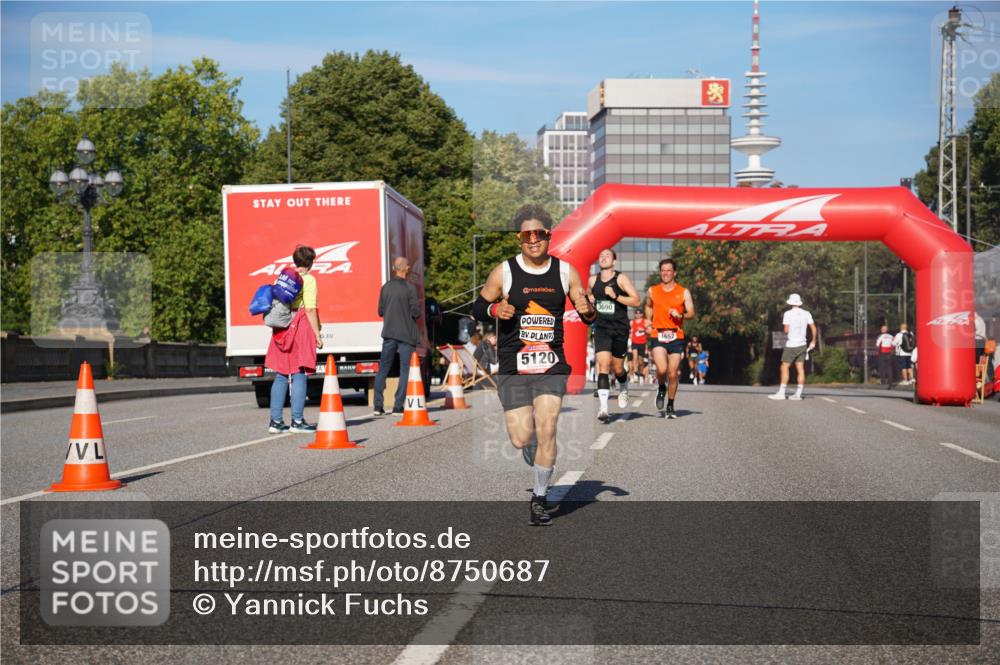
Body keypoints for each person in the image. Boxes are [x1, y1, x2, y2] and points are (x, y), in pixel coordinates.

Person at [473, 204, 595, 526]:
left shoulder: (566, 272)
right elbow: (478, 306)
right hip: (514, 366)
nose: (533, 240)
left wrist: (588, 309)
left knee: (548, 427)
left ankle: (539, 499)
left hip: (551, 365)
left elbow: (585, 309)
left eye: (538, 234)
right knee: (520, 437)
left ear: (548, 236)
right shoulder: (505, 271)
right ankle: (529, 446)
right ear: (519, 238)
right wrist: (494, 311)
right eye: (526, 235)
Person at [266, 245, 322, 433]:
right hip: (299, 325)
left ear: (295, 261)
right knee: (299, 373)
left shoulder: (283, 278)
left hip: (281, 327)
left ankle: (275, 422)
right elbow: (310, 309)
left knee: (281, 374)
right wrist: (317, 334)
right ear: (311, 263)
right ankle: (297, 421)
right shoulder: (309, 280)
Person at [588, 248, 641, 423]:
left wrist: (616, 295)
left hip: (619, 329)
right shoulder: (592, 280)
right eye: (601, 255)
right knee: (603, 365)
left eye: (607, 255)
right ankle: (603, 408)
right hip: (601, 329)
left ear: (614, 261)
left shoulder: (621, 278)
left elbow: (636, 300)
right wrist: (588, 298)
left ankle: (623, 386)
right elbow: (588, 296)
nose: (603, 258)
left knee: (618, 369)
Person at [645, 258, 695, 418]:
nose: (665, 273)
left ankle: (670, 405)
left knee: (673, 373)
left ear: (674, 272)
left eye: (668, 270)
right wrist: (648, 320)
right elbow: (648, 306)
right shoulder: (652, 290)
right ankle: (661, 387)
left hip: (676, 335)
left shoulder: (683, 292)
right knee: (662, 369)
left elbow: (691, 313)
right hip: (657, 334)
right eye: (663, 270)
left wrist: (680, 314)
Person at [372, 256, 421, 416]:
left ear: (394, 268)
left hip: (389, 333)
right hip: (406, 334)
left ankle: (377, 406)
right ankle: (398, 406)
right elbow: (416, 312)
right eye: (408, 266)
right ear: (406, 268)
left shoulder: (385, 287)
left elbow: (380, 311)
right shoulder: (410, 288)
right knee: (405, 370)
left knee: (383, 368)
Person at [769, 294, 817, 400]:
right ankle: (798, 394)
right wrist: (813, 340)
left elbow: (786, 330)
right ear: (799, 303)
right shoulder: (807, 313)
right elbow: (813, 327)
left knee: (784, 367)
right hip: (802, 344)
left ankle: (782, 393)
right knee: (800, 368)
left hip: (791, 344)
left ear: (790, 303)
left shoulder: (788, 314)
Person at [629, 309, 649, 384]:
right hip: (634, 342)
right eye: (636, 313)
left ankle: (640, 373)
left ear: (642, 314)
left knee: (641, 361)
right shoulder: (632, 322)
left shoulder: (645, 322)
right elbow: (630, 331)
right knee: (635, 357)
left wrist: (644, 330)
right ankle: (635, 372)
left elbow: (651, 330)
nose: (638, 315)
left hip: (642, 343)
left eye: (639, 313)